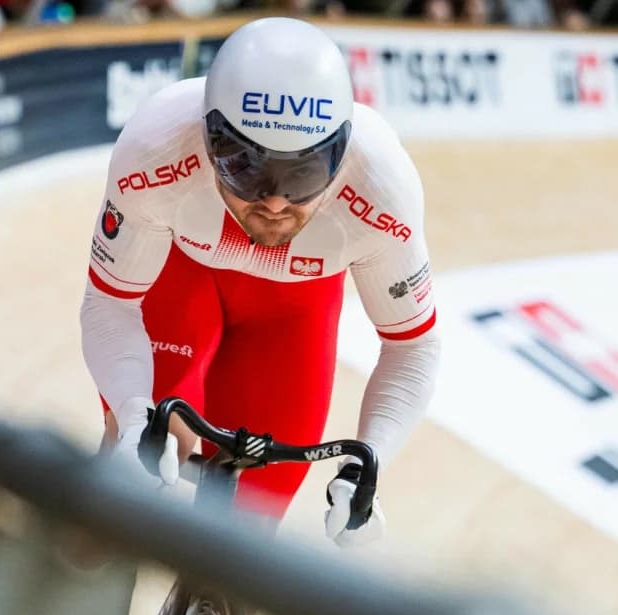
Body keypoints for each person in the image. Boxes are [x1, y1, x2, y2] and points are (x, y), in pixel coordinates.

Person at [79, 17, 441, 547]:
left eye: (303, 175)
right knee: (138, 470)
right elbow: (110, 305)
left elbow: (412, 346)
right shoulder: (157, 145)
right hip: (182, 278)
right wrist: (133, 418)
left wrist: (369, 464)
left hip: (290, 317)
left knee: (246, 550)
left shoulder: (382, 187)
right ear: (208, 140)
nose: (274, 201)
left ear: (341, 153)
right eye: (247, 169)